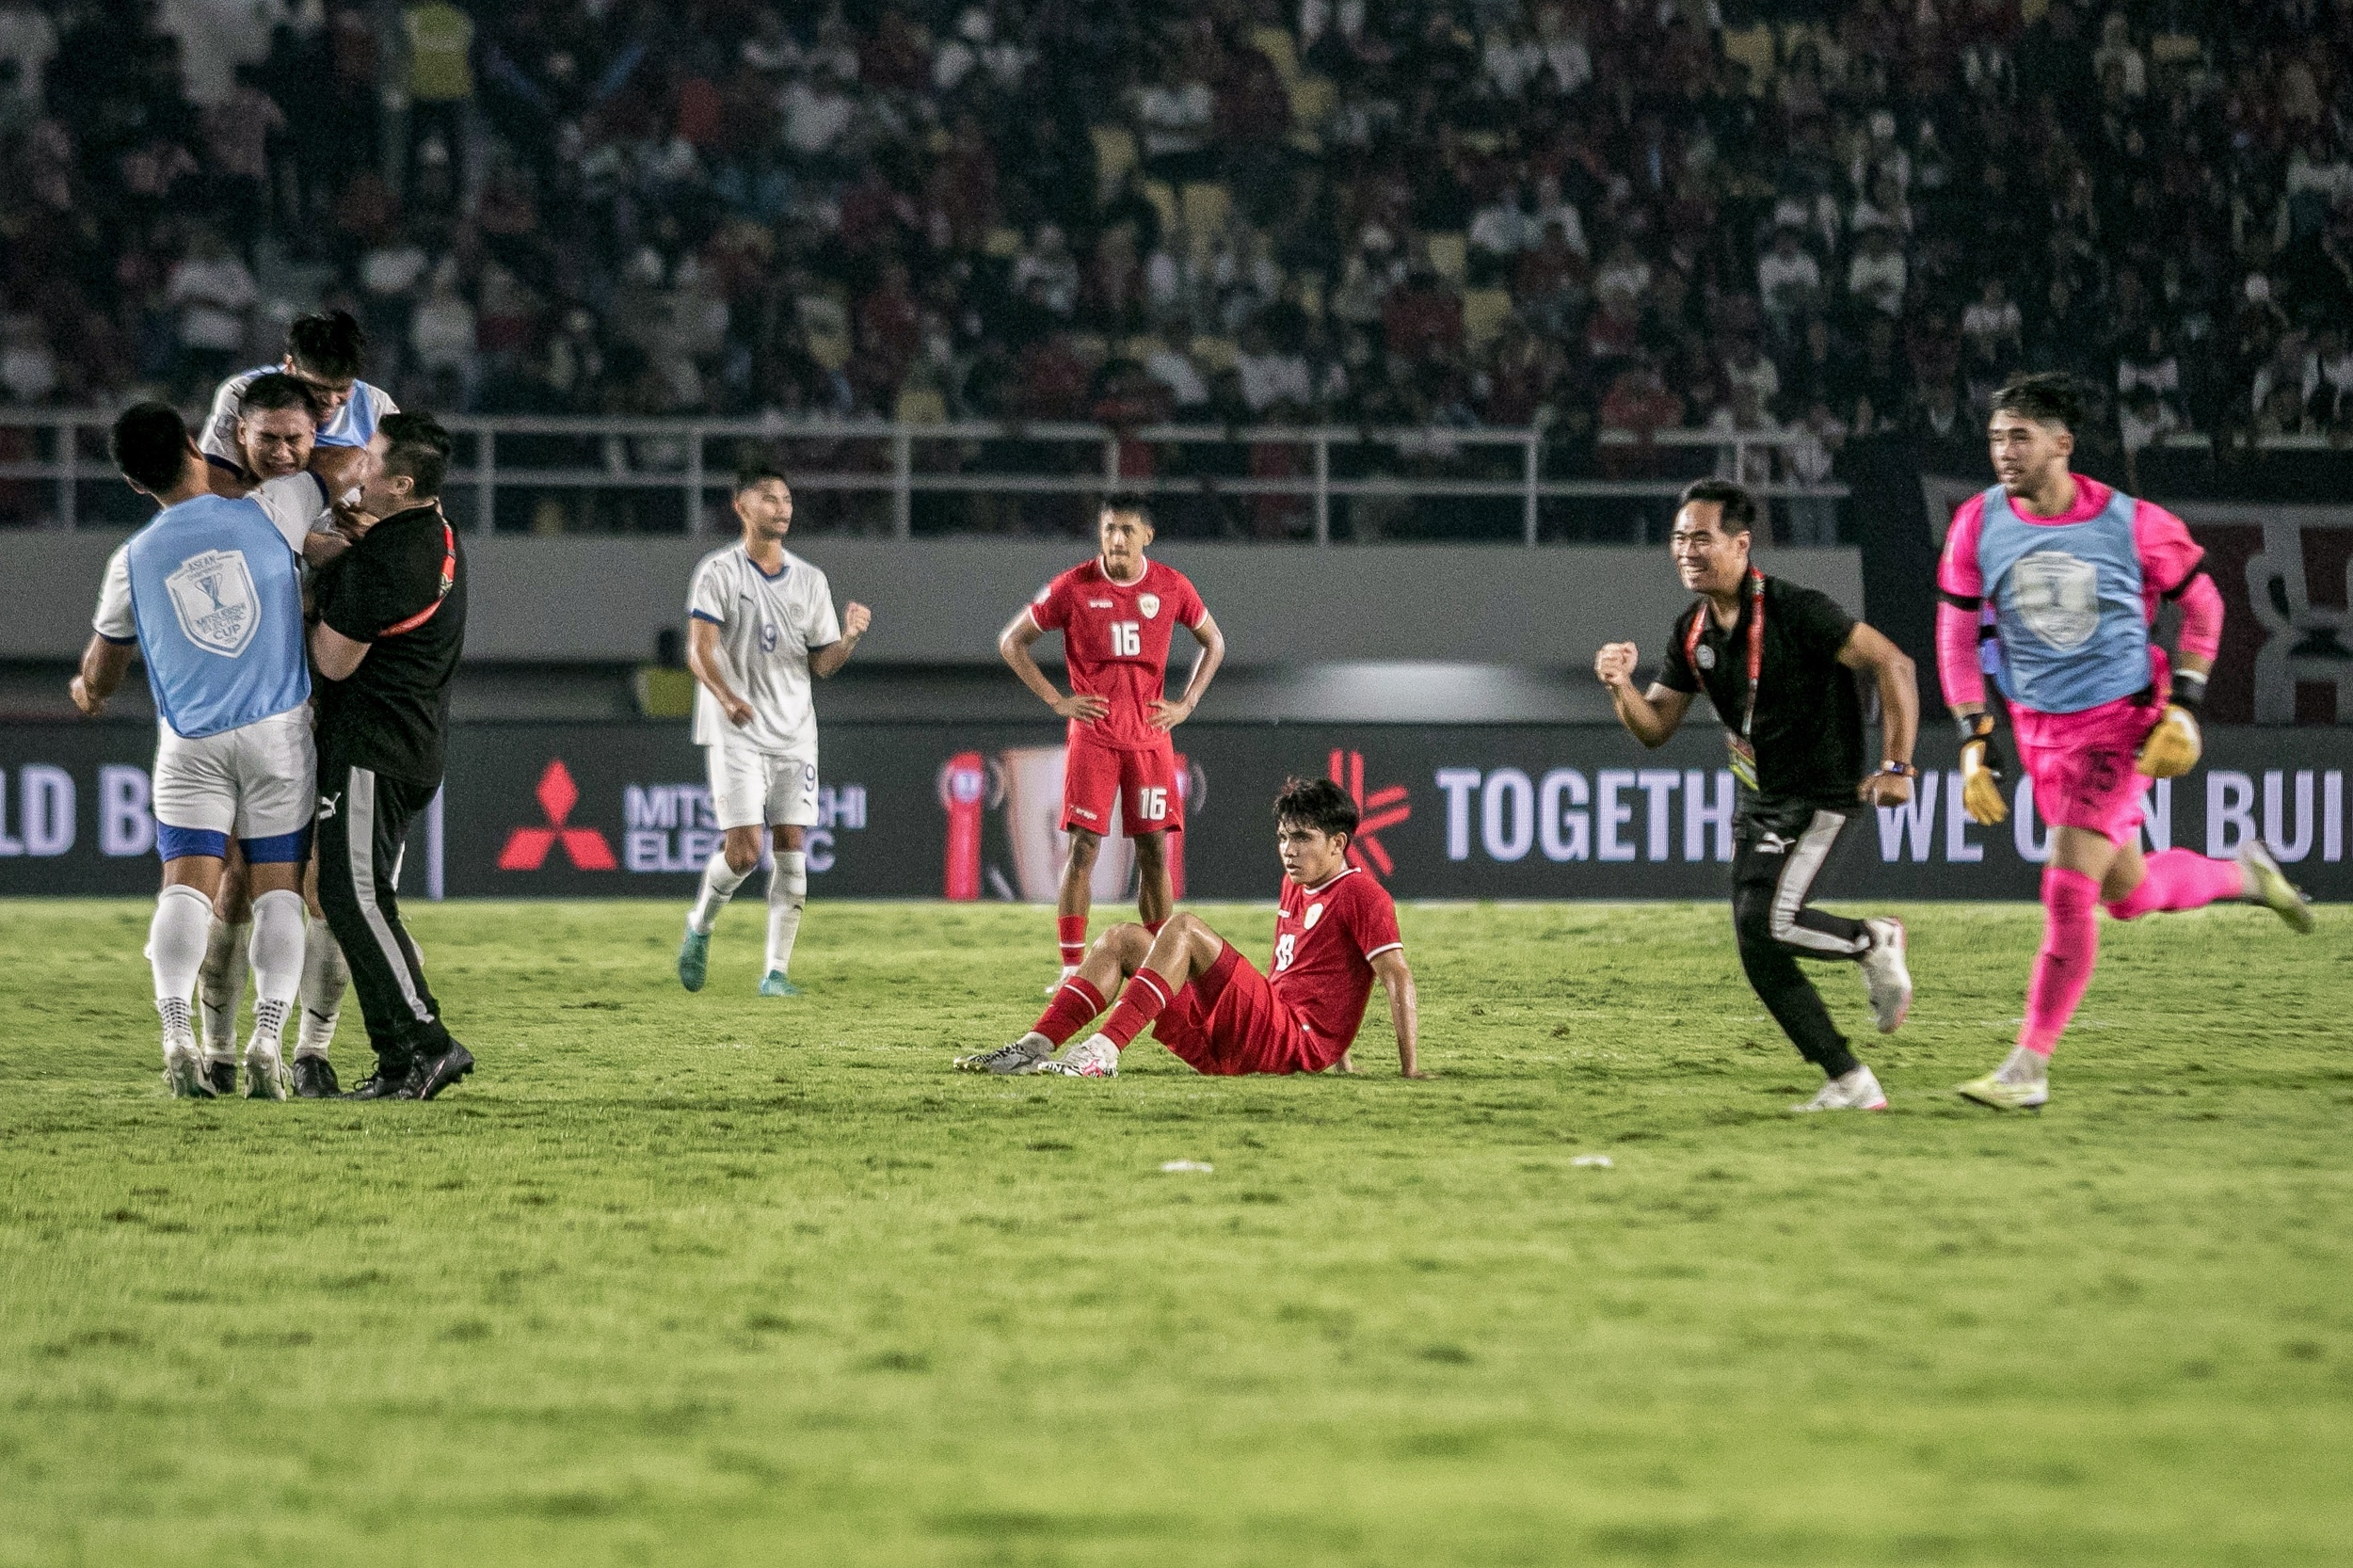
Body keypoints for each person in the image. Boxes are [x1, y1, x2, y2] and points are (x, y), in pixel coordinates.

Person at [1936, 374, 2313, 1112]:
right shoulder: (1977, 524)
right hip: (2039, 732)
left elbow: (2204, 605)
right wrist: (1974, 736)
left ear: (2061, 445)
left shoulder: (2132, 523)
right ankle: (2246, 877)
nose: (2004, 452)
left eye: (2020, 437)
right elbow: (1955, 633)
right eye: (1996, 438)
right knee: (2129, 894)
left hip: (2120, 728)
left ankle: (2028, 1067)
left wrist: (2186, 707)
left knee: (2066, 888)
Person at [1595, 479, 1920, 1112]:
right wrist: (1619, 686)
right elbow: (1656, 727)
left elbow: (1895, 664)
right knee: (1758, 948)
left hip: (1821, 793)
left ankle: (1871, 941)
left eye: (1703, 538)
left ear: (1742, 545)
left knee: (1766, 921)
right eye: (1679, 538)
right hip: (1760, 800)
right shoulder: (1691, 631)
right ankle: (1849, 1080)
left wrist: (1897, 765)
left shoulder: (1800, 611)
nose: (1687, 551)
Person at [69, 404, 336, 1098]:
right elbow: (328, 465)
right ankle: (268, 1039)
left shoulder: (132, 557)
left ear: (133, 485)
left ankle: (176, 1035)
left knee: (187, 888)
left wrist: (88, 691)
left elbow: (102, 669)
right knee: (280, 892)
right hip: (277, 733)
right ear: (196, 443)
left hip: (190, 743)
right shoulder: (272, 507)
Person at [953, 777, 1422, 1080]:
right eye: (1283, 837)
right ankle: (1032, 1048)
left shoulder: (1364, 895)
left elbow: (1395, 975)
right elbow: (1314, 975)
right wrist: (1338, 1053)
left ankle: (1102, 1052)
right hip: (1246, 1040)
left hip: (1287, 1041)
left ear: (1339, 844)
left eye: (1302, 838)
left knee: (1183, 928)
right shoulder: (1295, 884)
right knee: (1122, 938)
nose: (1288, 849)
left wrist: (1409, 1070)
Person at [187, 372, 355, 1096]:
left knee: (329, 892)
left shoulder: (331, 503)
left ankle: (312, 1051)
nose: (283, 453)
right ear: (238, 437)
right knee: (232, 892)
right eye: (269, 439)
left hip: (326, 720)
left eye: (296, 440)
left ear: (315, 440)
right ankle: (220, 1051)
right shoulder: (205, 520)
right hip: (237, 727)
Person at [309, 413, 474, 1100]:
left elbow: (333, 661)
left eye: (370, 464)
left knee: (354, 897)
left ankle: (430, 1042)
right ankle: (398, 1062)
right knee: (357, 899)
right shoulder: (431, 534)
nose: (356, 471)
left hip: (372, 747)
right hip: (409, 743)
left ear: (401, 484)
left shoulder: (387, 563)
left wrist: (322, 584)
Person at [999, 494, 1225, 991]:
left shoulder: (1172, 585)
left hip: (1149, 741)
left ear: (1147, 536)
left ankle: (1161, 965)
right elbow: (1011, 641)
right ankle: (1069, 968)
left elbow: (1215, 642)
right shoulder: (1072, 586)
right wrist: (1056, 700)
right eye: (1108, 530)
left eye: (1126, 529)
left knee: (1153, 854)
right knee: (1082, 850)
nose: (1116, 539)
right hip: (1093, 740)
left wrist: (1186, 705)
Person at [676, 467, 872, 997]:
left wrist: (850, 637)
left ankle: (776, 972)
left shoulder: (810, 580)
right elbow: (698, 649)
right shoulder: (718, 572)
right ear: (742, 506)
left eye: (787, 499)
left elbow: (822, 665)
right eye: (769, 498)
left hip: (795, 732)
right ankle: (700, 926)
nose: (782, 507)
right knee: (743, 852)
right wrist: (727, 697)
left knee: (792, 849)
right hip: (735, 730)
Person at [200, 310, 397, 497]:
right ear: (290, 366)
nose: (330, 401)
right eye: (317, 388)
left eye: (342, 389)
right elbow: (217, 485)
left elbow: (406, 486)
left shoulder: (377, 405)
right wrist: (298, 528)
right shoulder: (244, 393)